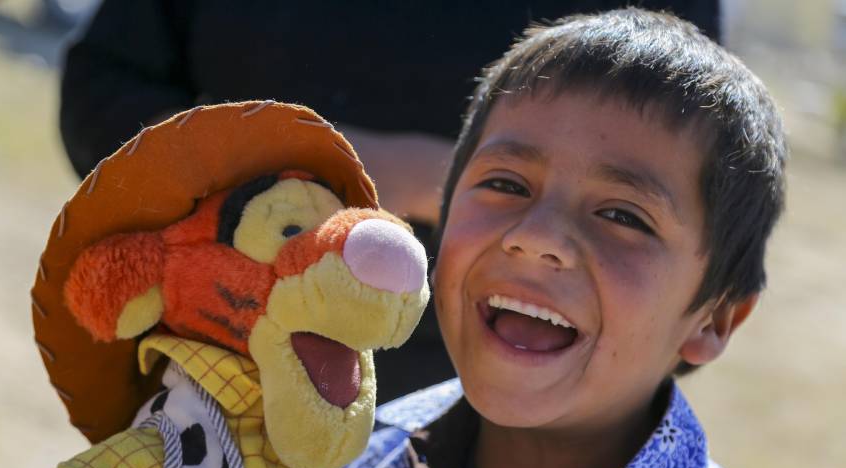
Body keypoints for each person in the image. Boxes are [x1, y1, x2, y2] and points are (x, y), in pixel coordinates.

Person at [59, 1, 722, 403]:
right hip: (206, 368)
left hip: (472, 401)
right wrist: (314, 163)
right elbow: (100, 96)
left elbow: (689, 220)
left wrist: (468, 186)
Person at [345, 8, 785, 468]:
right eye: (506, 184)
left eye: (622, 216)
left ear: (714, 320)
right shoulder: (353, 462)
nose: (537, 238)